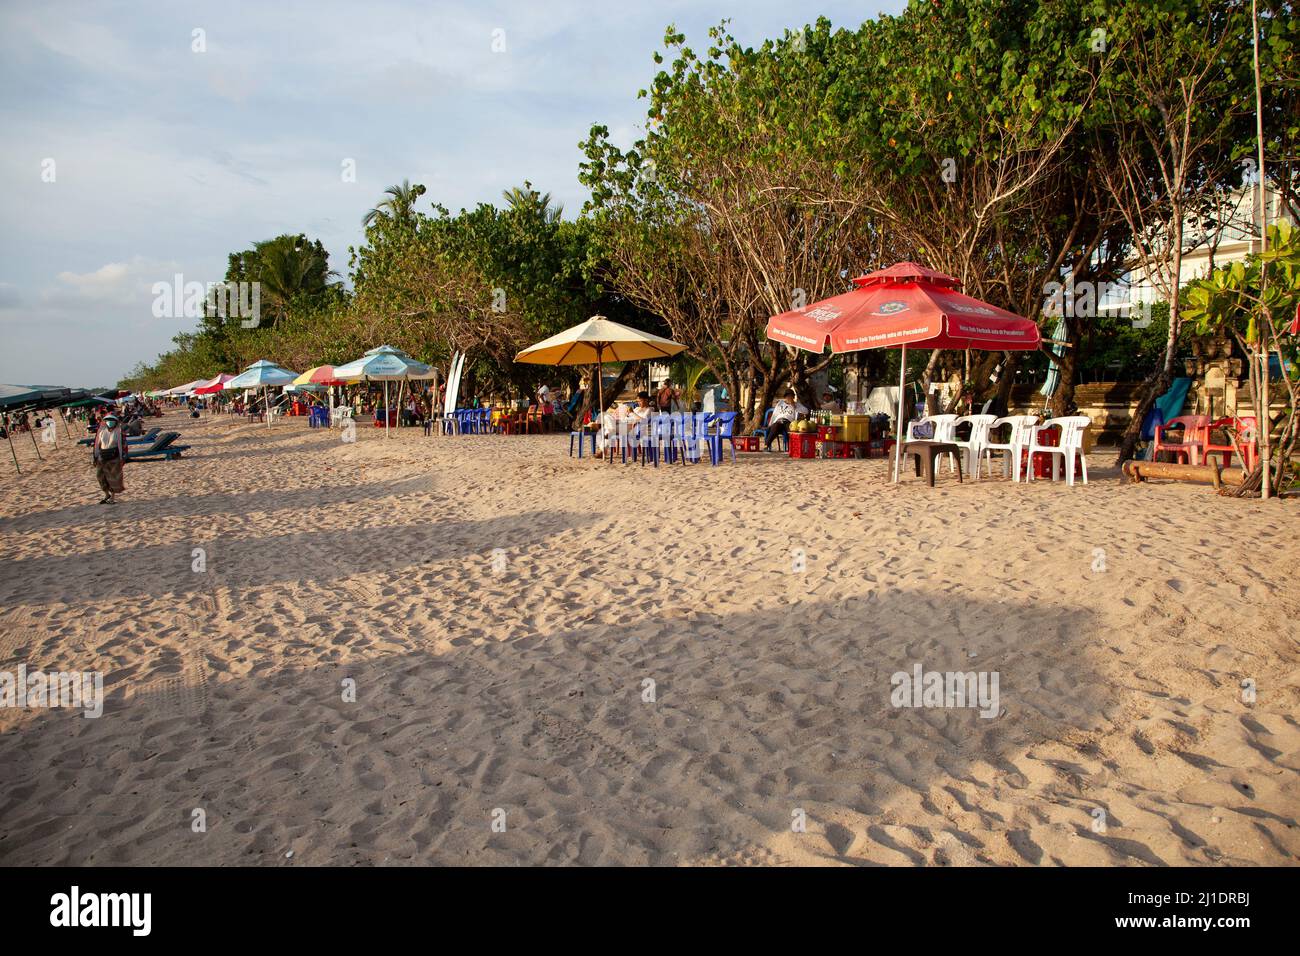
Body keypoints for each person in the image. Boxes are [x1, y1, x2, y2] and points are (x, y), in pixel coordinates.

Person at [92, 412, 128, 504]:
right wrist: (95, 457)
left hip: (114, 458)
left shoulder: (119, 432)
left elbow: (124, 446)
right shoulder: (101, 431)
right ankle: (106, 494)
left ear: (116, 422)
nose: (110, 422)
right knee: (100, 476)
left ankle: (112, 497)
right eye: (108, 420)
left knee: (113, 478)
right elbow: (97, 445)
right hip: (102, 457)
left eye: (112, 420)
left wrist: (122, 458)